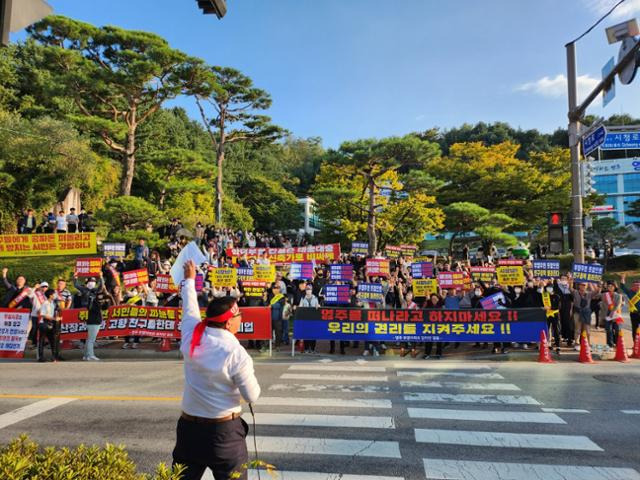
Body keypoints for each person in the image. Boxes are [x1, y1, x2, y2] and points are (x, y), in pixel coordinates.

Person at [172, 260, 260, 480]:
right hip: (224, 434)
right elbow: (251, 395)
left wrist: (189, 279)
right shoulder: (236, 352)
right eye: (239, 317)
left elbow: (190, 307)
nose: (241, 321)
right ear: (229, 322)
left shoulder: (192, 334)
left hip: (188, 430)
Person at [74, 274, 103, 361]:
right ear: (87, 283)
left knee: (89, 339)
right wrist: (75, 277)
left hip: (90, 316)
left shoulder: (95, 291)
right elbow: (76, 285)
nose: (92, 283)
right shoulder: (84, 290)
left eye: (94, 282)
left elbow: (101, 286)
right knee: (91, 339)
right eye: (90, 282)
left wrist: (101, 277)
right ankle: (90, 355)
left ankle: (86, 355)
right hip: (89, 314)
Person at [37, 289, 58, 362]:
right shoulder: (45, 303)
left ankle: (53, 357)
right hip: (44, 324)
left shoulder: (52, 303)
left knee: (52, 340)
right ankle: (41, 357)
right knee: (42, 340)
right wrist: (54, 318)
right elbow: (42, 314)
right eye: (54, 294)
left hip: (50, 323)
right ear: (50, 295)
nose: (55, 295)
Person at [299, 285, 320, 354]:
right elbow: (300, 307)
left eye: (310, 289)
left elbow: (317, 306)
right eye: (307, 289)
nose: (308, 291)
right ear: (305, 290)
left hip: (313, 319)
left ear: (312, 290)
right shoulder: (303, 298)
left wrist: (318, 306)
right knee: (306, 334)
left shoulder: (315, 298)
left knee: (313, 334)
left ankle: (313, 349)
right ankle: (306, 348)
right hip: (305, 319)